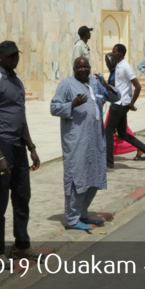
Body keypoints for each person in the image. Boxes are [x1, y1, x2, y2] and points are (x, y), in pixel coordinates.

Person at [0, 41, 41, 260]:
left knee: (22, 197)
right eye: (10, 56)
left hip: (18, 146)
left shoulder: (17, 82)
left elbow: (21, 117)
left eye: (16, 55)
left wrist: (31, 147)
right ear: (0, 57)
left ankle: (22, 245)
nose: (15, 59)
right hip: (0, 145)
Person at [50, 56, 117, 231]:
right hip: (77, 140)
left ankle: (82, 213)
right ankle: (72, 218)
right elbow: (54, 107)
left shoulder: (95, 83)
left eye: (85, 67)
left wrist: (106, 85)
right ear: (74, 68)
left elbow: (115, 97)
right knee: (77, 177)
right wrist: (72, 104)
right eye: (79, 67)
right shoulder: (66, 85)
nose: (82, 69)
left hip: (95, 139)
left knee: (94, 176)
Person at [106, 43, 145, 169]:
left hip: (120, 104)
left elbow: (138, 86)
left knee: (108, 131)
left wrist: (132, 103)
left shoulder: (126, 67)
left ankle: (109, 163)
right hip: (119, 103)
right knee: (123, 134)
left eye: (114, 52)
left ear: (121, 53)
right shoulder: (118, 66)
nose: (112, 54)